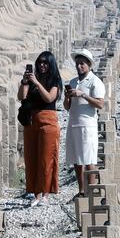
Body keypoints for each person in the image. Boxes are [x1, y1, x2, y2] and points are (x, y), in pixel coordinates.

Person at [17, 51, 63, 206]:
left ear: (50, 64)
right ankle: (35, 193)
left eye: (45, 62)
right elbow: (22, 97)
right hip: (31, 121)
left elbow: (49, 98)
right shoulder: (31, 80)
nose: (42, 65)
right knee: (31, 158)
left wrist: (37, 83)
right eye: (40, 62)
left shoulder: (54, 80)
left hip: (48, 121)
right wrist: (25, 81)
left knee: (46, 158)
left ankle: (45, 194)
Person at [65, 48, 105, 197]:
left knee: (89, 159)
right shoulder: (73, 81)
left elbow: (100, 104)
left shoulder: (95, 82)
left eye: (82, 64)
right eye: (77, 64)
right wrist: (68, 97)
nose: (79, 66)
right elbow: (67, 107)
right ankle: (82, 191)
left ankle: (92, 191)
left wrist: (83, 95)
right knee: (77, 160)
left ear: (89, 65)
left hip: (87, 125)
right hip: (73, 123)